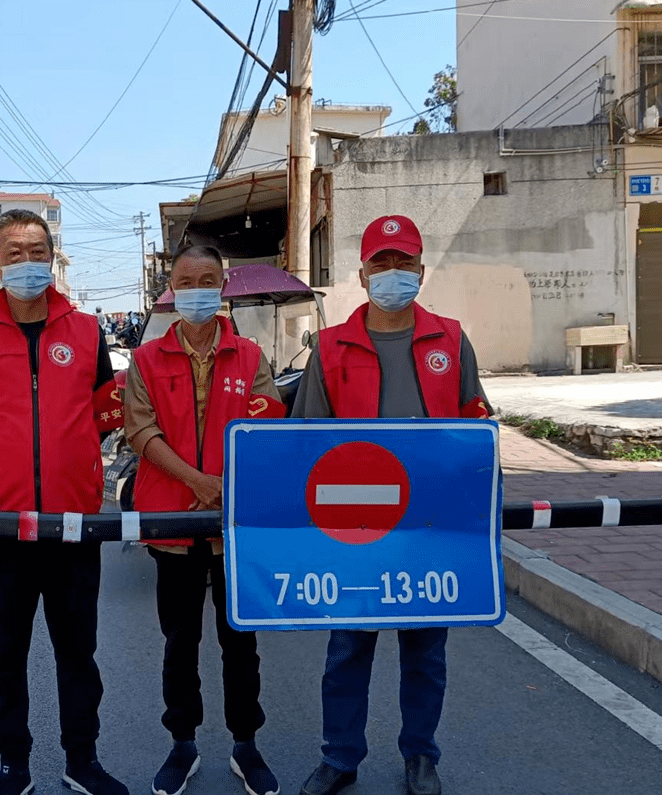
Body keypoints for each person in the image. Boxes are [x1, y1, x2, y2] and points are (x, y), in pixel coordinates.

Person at [292, 215, 490, 795]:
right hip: (357, 528)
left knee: (425, 652)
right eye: (383, 263)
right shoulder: (330, 347)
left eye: (405, 263)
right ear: (363, 273)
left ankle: (420, 757)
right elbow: (305, 439)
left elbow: (476, 424)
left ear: (421, 272)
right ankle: (340, 757)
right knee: (348, 649)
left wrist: (478, 504)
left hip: (430, 526)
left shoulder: (450, 340)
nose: (393, 274)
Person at [0, 209, 128, 795]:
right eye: (15, 252)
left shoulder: (86, 331)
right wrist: (6, 467)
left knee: (79, 655)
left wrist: (67, 460)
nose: (28, 262)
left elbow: (102, 414)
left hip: (74, 526)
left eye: (38, 250)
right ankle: (13, 765)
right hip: (0, 529)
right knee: (3, 658)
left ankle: (83, 760)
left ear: (52, 256)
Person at [123, 245, 285, 795]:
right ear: (172, 288)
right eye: (186, 280)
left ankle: (246, 743)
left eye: (207, 279)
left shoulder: (249, 355)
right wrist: (197, 482)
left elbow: (264, 431)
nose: (197, 289)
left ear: (223, 285)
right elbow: (140, 432)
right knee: (179, 641)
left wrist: (224, 488)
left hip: (234, 527)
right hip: (171, 524)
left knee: (241, 642)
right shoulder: (146, 360)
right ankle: (182, 743)